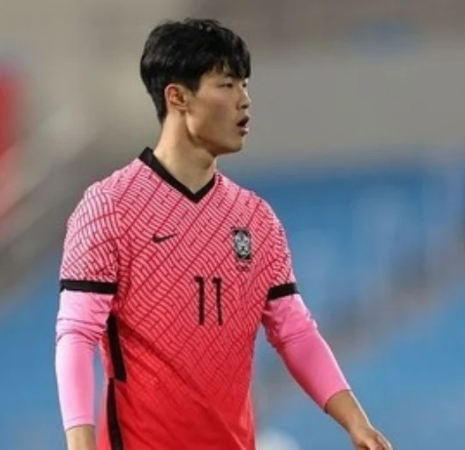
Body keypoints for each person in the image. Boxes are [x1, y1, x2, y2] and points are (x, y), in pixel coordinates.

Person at [55, 18, 393, 450]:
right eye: (227, 85)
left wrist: (356, 422)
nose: (244, 100)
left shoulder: (256, 218)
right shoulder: (110, 207)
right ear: (177, 97)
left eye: (245, 85)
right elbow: (77, 334)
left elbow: (294, 330)